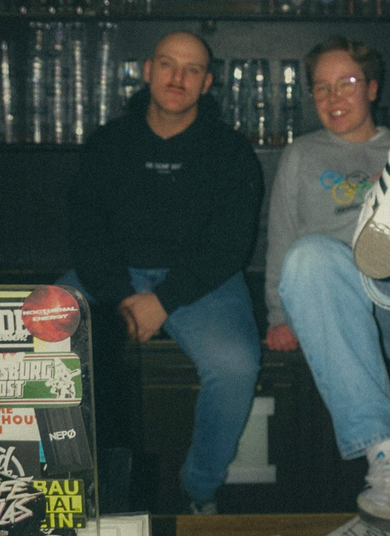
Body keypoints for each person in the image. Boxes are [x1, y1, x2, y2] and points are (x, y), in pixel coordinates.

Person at [265, 36, 390, 535]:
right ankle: (388, 459)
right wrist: (281, 315)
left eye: (347, 83)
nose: (333, 98)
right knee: (308, 253)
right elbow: (280, 238)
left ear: (372, 88)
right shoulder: (301, 155)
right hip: (336, 309)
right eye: (321, 88)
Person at [57, 31, 264, 514]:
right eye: (168, 64)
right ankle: (63, 484)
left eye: (192, 69)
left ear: (207, 83)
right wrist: (122, 298)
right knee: (39, 337)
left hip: (200, 282)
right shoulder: (108, 142)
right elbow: (85, 231)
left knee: (236, 366)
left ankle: (199, 491)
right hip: (111, 274)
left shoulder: (230, 150)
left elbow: (230, 246)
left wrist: (163, 300)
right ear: (148, 70)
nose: (178, 77)